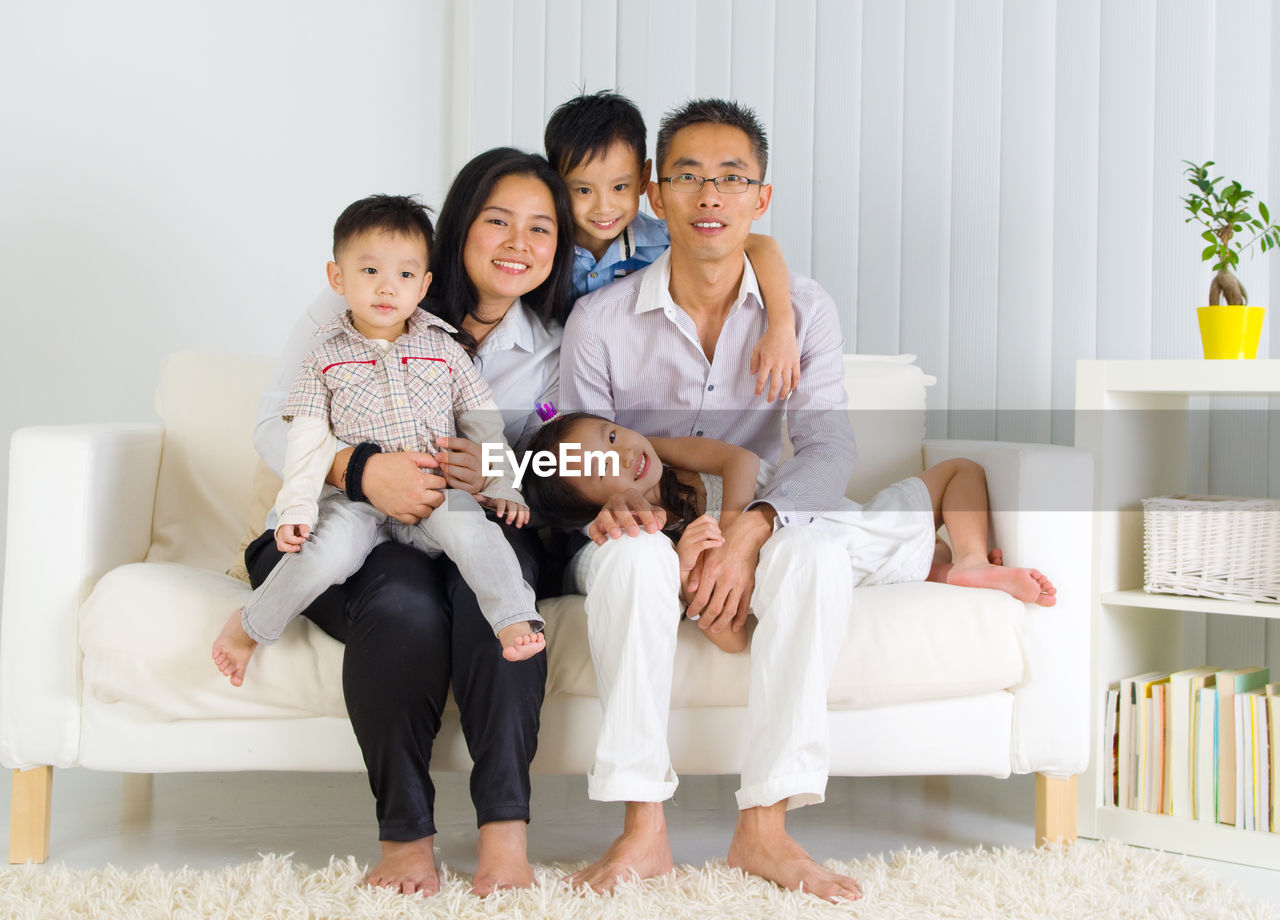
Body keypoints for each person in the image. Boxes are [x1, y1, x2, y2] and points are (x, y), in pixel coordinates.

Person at [242, 148, 575, 896]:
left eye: (541, 229)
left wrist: (501, 474)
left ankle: (504, 839)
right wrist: (358, 470)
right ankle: (405, 841)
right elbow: (274, 426)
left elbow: (566, 462)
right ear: (459, 229)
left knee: (501, 592)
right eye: (497, 221)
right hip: (354, 524)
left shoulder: (554, 350)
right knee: (403, 606)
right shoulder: (365, 290)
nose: (518, 244)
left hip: (464, 521)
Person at [557, 97, 864, 901]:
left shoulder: (806, 311)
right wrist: (616, 517)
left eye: (732, 179)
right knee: (627, 563)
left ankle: (766, 827)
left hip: (752, 515)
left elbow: (830, 446)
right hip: (652, 524)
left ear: (762, 200)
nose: (710, 197)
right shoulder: (599, 321)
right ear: (657, 196)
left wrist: (752, 527)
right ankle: (642, 829)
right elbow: (567, 455)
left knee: (820, 552)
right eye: (688, 177)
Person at [213, 195, 544, 688]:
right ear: (337, 278)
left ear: (425, 284)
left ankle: (514, 616)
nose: (388, 287)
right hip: (354, 502)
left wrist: (504, 487)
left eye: (406, 276)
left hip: (434, 492)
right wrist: (297, 510)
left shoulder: (444, 350)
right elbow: (306, 441)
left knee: (475, 533)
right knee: (323, 555)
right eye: (370, 271)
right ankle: (249, 626)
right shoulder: (322, 357)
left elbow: (483, 423)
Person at [524, 411, 1057, 612]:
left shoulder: (664, 454)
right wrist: (720, 542)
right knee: (954, 476)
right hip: (818, 552)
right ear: (596, 511)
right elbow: (704, 594)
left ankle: (959, 563)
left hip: (837, 529)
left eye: (611, 434)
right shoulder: (656, 541)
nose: (623, 452)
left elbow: (739, 457)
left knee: (962, 470)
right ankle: (958, 562)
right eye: (601, 467)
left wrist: (737, 523)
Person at [544, 90, 801, 402]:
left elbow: (761, 247)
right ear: (555, 183)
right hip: (553, 382)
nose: (604, 206)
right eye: (583, 190)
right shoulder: (543, 247)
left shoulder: (669, 238)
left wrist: (782, 326)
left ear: (643, 179)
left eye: (620, 187)